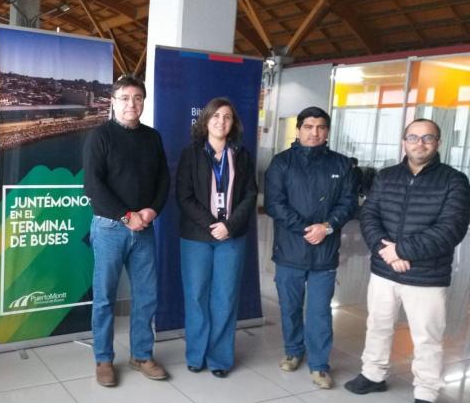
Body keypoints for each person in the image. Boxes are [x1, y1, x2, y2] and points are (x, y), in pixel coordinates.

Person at [344, 119, 470, 403]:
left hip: (426, 274)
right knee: (378, 325)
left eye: (427, 138)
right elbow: (369, 215)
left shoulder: (454, 181)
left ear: (438, 142)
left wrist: (402, 251)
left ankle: (426, 390)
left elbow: (451, 229)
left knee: (427, 337)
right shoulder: (386, 176)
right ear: (404, 141)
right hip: (384, 270)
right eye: (413, 137)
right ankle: (373, 374)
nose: (419, 143)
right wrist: (384, 250)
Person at [83, 75, 170, 387]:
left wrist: (151, 211)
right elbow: (93, 185)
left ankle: (142, 355)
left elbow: (163, 180)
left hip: (144, 229)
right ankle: (104, 359)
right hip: (109, 229)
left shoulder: (152, 137)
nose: (131, 104)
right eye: (124, 98)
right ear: (113, 101)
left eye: (137, 98)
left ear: (143, 102)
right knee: (105, 297)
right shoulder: (100, 137)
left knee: (146, 296)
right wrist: (126, 215)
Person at [264, 106, 357, 389]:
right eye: (308, 127)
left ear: (327, 132)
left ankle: (319, 365)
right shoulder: (281, 163)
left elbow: (349, 203)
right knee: (290, 307)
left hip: (324, 253)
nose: (314, 132)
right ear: (298, 130)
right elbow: (274, 203)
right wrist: (306, 229)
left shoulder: (342, 165)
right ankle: (294, 351)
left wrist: (326, 227)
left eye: (320, 127)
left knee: (318, 311)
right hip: (290, 249)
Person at [175, 97, 257, 378]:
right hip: (197, 236)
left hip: (232, 237)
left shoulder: (242, 155)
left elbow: (250, 195)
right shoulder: (191, 154)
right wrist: (213, 225)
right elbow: (183, 197)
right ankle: (196, 355)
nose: (221, 121)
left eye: (227, 117)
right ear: (206, 120)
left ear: (233, 123)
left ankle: (220, 359)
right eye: (216, 116)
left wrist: (229, 226)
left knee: (225, 297)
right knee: (196, 296)